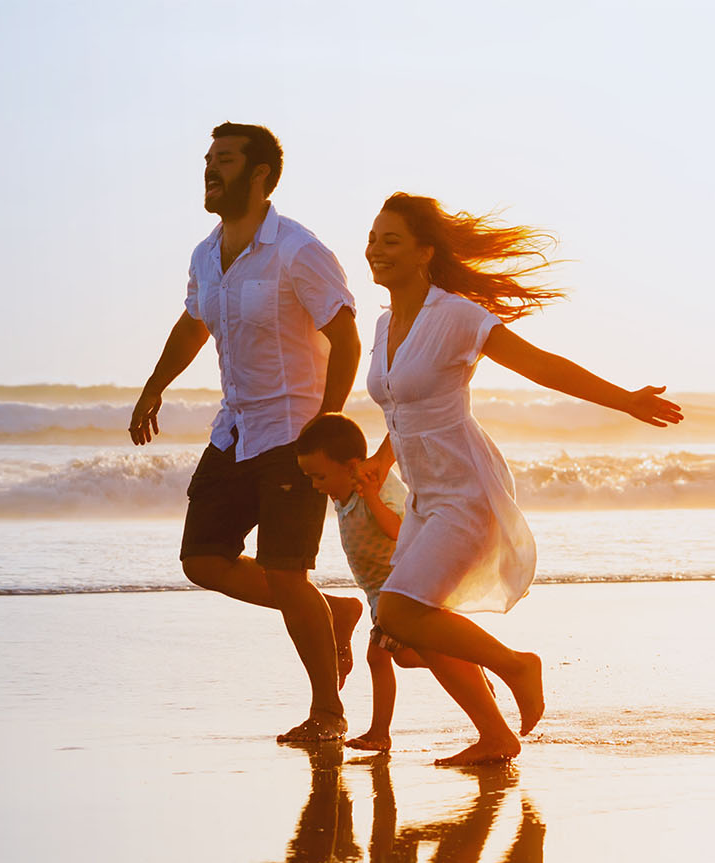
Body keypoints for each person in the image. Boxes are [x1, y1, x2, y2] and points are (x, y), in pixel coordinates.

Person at [361, 191, 683, 764]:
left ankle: (517, 666)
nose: (375, 250)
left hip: (466, 493)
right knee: (409, 632)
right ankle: (495, 736)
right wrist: (383, 460)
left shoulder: (454, 315)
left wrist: (624, 400)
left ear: (423, 251)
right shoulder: (386, 322)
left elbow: (540, 365)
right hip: (424, 497)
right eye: (373, 238)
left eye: (391, 240)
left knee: (398, 612)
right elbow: (400, 405)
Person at [128, 122, 363, 743]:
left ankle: (328, 714)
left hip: (294, 432)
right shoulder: (206, 253)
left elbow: (345, 335)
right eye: (208, 159)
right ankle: (332, 612)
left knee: (287, 575)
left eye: (225, 161)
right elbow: (193, 323)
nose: (211, 170)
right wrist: (155, 386)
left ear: (259, 174)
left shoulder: (297, 249)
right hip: (235, 429)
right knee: (202, 559)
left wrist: (328, 421)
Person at [291, 411, 435, 753]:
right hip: (378, 594)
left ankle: (467, 660)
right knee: (395, 657)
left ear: (353, 466)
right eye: (310, 477)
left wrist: (371, 497)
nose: (315, 485)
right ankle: (381, 732)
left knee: (392, 657)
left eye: (319, 476)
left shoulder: (378, 486)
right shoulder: (341, 491)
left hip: (404, 589)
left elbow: (401, 533)